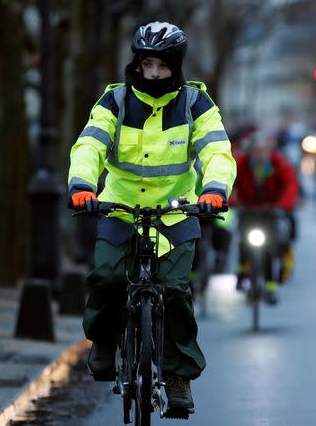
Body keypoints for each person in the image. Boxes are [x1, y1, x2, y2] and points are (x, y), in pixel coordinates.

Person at [67, 21, 236, 414]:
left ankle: (178, 377)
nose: (154, 73)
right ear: (137, 64)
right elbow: (90, 143)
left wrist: (214, 190)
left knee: (175, 291)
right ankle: (106, 343)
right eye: (147, 65)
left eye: (162, 66)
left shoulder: (196, 104)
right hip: (120, 208)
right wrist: (81, 185)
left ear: (175, 67)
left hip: (177, 213)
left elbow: (217, 151)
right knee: (108, 277)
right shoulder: (116, 101)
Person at [230, 130, 299, 302]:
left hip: (271, 211)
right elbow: (229, 183)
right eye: (256, 150)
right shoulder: (242, 163)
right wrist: (232, 201)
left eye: (264, 150)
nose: (260, 154)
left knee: (271, 245)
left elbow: (290, 184)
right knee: (244, 242)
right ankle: (241, 274)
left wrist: (282, 205)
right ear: (251, 150)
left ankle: (271, 287)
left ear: (270, 150)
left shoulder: (279, 163)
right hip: (249, 210)